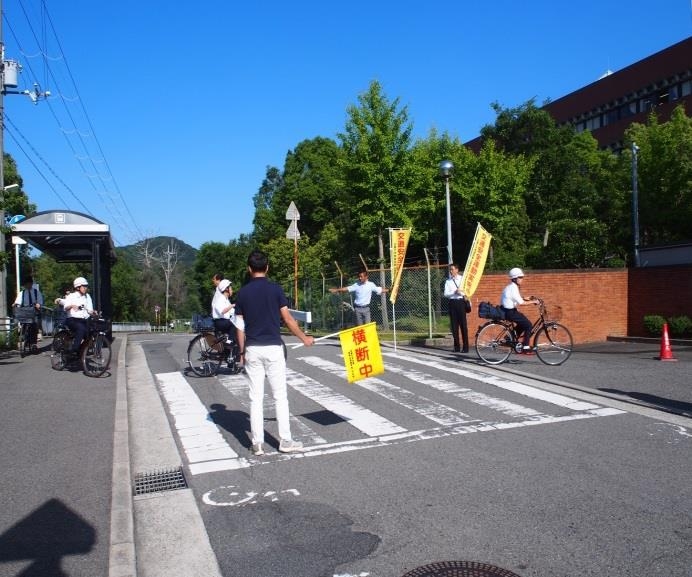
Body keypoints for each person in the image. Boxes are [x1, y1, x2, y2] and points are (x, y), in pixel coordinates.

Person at [234, 250, 314, 456]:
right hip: (273, 348)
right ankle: (285, 441)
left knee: (255, 398)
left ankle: (257, 443)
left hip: (252, 348)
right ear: (267, 267)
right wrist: (304, 338)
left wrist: (241, 352)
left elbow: (240, 327)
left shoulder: (242, 293)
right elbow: (287, 319)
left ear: (249, 269)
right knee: (280, 396)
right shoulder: (275, 290)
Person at [54, 276, 98, 355]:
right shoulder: (71, 296)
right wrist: (72, 306)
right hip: (72, 320)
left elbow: (89, 310)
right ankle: (74, 350)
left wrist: (94, 312)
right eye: (83, 286)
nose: (85, 288)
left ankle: (82, 352)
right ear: (78, 287)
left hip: (84, 320)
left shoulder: (87, 297)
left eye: (86, 286)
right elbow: (66, 307)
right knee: (81, 329)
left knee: (91, 331)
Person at [500, 267, 537, 354]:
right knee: (528, 325)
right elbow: (521, 303)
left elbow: (517, 298)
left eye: (522, 277)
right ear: (514, 278)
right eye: (520, 277)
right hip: (510, 312)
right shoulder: (513, 287)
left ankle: (509, 338)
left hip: (507, 311)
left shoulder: (511, 286)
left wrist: (527, 298)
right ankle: (526, 347)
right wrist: (533, 302)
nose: (522, 279)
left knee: (523, 323)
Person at [443, 263, 469, 353]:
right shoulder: (448, 281)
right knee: (454, 327)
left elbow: (466, 291)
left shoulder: (462, 279)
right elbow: (446, 294)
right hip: (452, 303)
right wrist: (454, 292)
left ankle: (466, 347)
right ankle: (456, 347)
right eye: (450, 270)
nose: (451, 271)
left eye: (452, 269)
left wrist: (461, 293)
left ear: (457, 270)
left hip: (461, 302)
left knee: (463, 326)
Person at [13, 276, 44, 345]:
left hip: (34, 311)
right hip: (24, 312)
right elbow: (17, 302)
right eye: (26, 284)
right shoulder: (22, 293)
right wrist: (14, 304)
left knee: (34, 325)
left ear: (31, 284)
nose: (27, 285)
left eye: (28, 284)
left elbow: (40, 302)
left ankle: (33, 343)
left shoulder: (37, 292)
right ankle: (25, 338)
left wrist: (38, 304)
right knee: (22, 324)